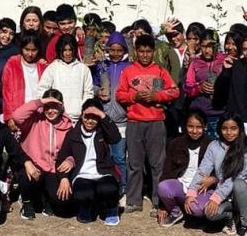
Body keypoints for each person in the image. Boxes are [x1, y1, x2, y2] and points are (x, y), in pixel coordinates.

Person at [116, 34, 181, 213]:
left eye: (148, 51)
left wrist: (156, 96)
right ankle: (134, 201)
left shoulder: (159, 71)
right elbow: (119, 94)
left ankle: (158, 201)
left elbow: (174, 91)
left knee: (157, 164)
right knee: (134, 163)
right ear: (136, 51)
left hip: (156, 121)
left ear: (153, 52)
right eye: (141, 51)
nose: (145, 55)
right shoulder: (129, 71)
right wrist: (133, 96)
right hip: (135, 121)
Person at [184, 114, 247, 236]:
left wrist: (217, 197)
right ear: (219, 129)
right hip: (225, 195)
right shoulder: (214, 146)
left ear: (240, 129)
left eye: (233, 128)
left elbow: (236, 177)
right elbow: (203, 170)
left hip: (243, 193)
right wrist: (191, 191)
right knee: (210, 213)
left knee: (238, 183)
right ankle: (231, 217)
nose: (229, 133)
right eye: (225, 128)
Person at [56, 98, 123, 226]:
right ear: (82, 115)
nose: (90, 121)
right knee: (82, 193)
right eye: (87, 117)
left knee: (107, 188)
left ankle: (111, 208)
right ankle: (85, 207)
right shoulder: (72, 134)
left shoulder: (102, 132)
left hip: (103, 173)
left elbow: (116, 138)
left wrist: (103, 115)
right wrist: (63, 178)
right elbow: (61, 158)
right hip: (82, 174)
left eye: (94, 118)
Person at [12, 90, 74, 219]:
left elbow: (73, 149)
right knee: (25, 175)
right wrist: (40, 102)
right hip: (33, 165)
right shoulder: (34, 119)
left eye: (54, 107)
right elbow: (17, 116)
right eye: (47, 107)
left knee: (62, 200)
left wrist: (70, 160)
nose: (50, 111)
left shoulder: (68, 126)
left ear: (61, 106)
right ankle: (26, 201)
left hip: (53, 169)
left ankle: (47, 199)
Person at [157, 111, 212, 227]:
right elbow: (167, 171)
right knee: (163, 187)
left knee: (197, 209)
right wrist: (163, 205)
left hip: (201, 188)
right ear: (185, 127)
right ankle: (176, 211)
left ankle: (192, 213)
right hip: (182, 185)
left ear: (205, 127)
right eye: (190, 126)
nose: (194, 131)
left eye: (199, 127)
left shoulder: (211, 145)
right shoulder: (175, 143)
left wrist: (213, 179)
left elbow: (220, 171)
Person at [93, 31, 130, 197]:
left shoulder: (128, 67)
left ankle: (123, 187)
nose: (115, 53)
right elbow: (92, 84)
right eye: (112, 50)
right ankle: (106, 183)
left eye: (119, 50)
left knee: (119, 156)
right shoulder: (102, 66)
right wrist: (98, 92)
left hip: (122, 120)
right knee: (102, 155)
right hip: (104, 117)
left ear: (124, 50)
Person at [213, 32, 247, 140]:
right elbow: (220, 91)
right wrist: (226, 71)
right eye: (245, 49)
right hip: (235, 121)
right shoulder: (236, 65)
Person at [37, 34, 94, 121]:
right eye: (64, 50)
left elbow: (88, 93)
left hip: (77, 118)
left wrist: (82, 109)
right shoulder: (53, 67)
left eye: (70, 50)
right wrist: (51, 108)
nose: (68, 53)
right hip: (58, 118)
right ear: (59, 50)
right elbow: (42, 90)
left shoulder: (83, 69)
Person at [1, 32, 47, 131]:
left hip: (38, 115)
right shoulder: (12, 63)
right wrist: (9, 117)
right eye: (27, 49)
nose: (30, 54)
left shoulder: (43, 66)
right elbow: (7, 92)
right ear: (21, 48)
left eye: (34, 50)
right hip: (18, 114)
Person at [184, 30, 225, 139]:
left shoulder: (225, 60)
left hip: (220, 114)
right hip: (200, 116)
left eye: (210, 46)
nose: (207, 50)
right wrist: (199, 88)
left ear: (217, 45)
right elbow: (187, 87)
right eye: (203, 46)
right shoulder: (195, 62)